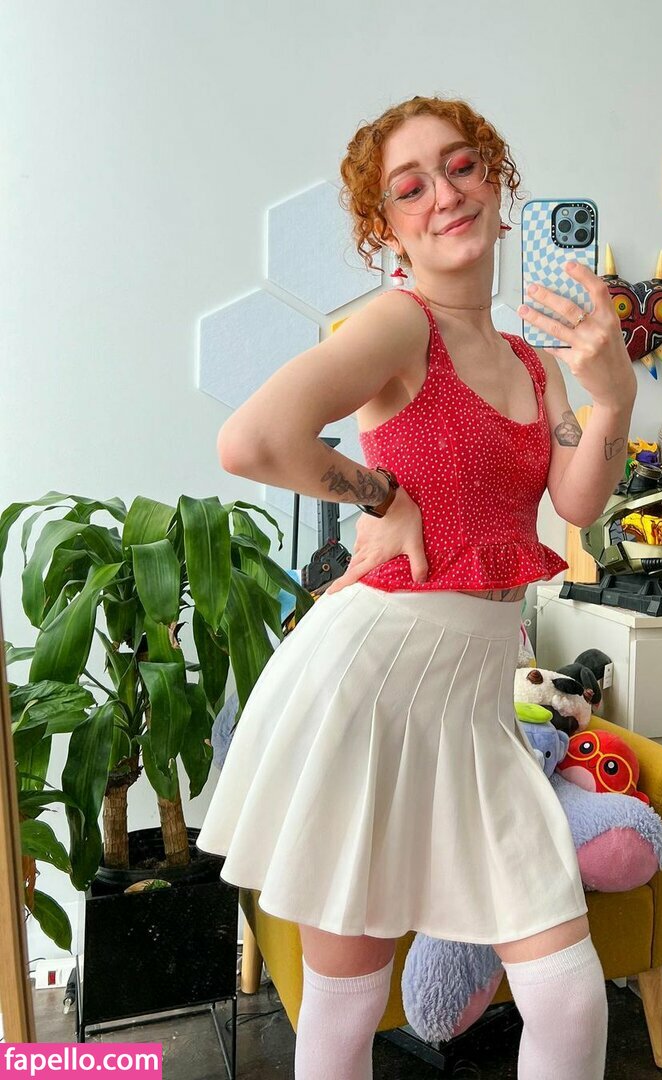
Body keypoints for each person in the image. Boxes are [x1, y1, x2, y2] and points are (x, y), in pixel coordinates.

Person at [197, 94, 637, 1079]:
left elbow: (576, 496)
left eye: (462, 166)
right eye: (411, 187)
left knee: (569, 997)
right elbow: (252, 440)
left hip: (475, 704)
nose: (445, 193)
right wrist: (380, 493)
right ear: (386, 230)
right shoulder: (402, 324)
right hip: (370, 687)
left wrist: (613, 396)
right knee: (348, 1003)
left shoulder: (534, 364)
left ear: (497, 183)